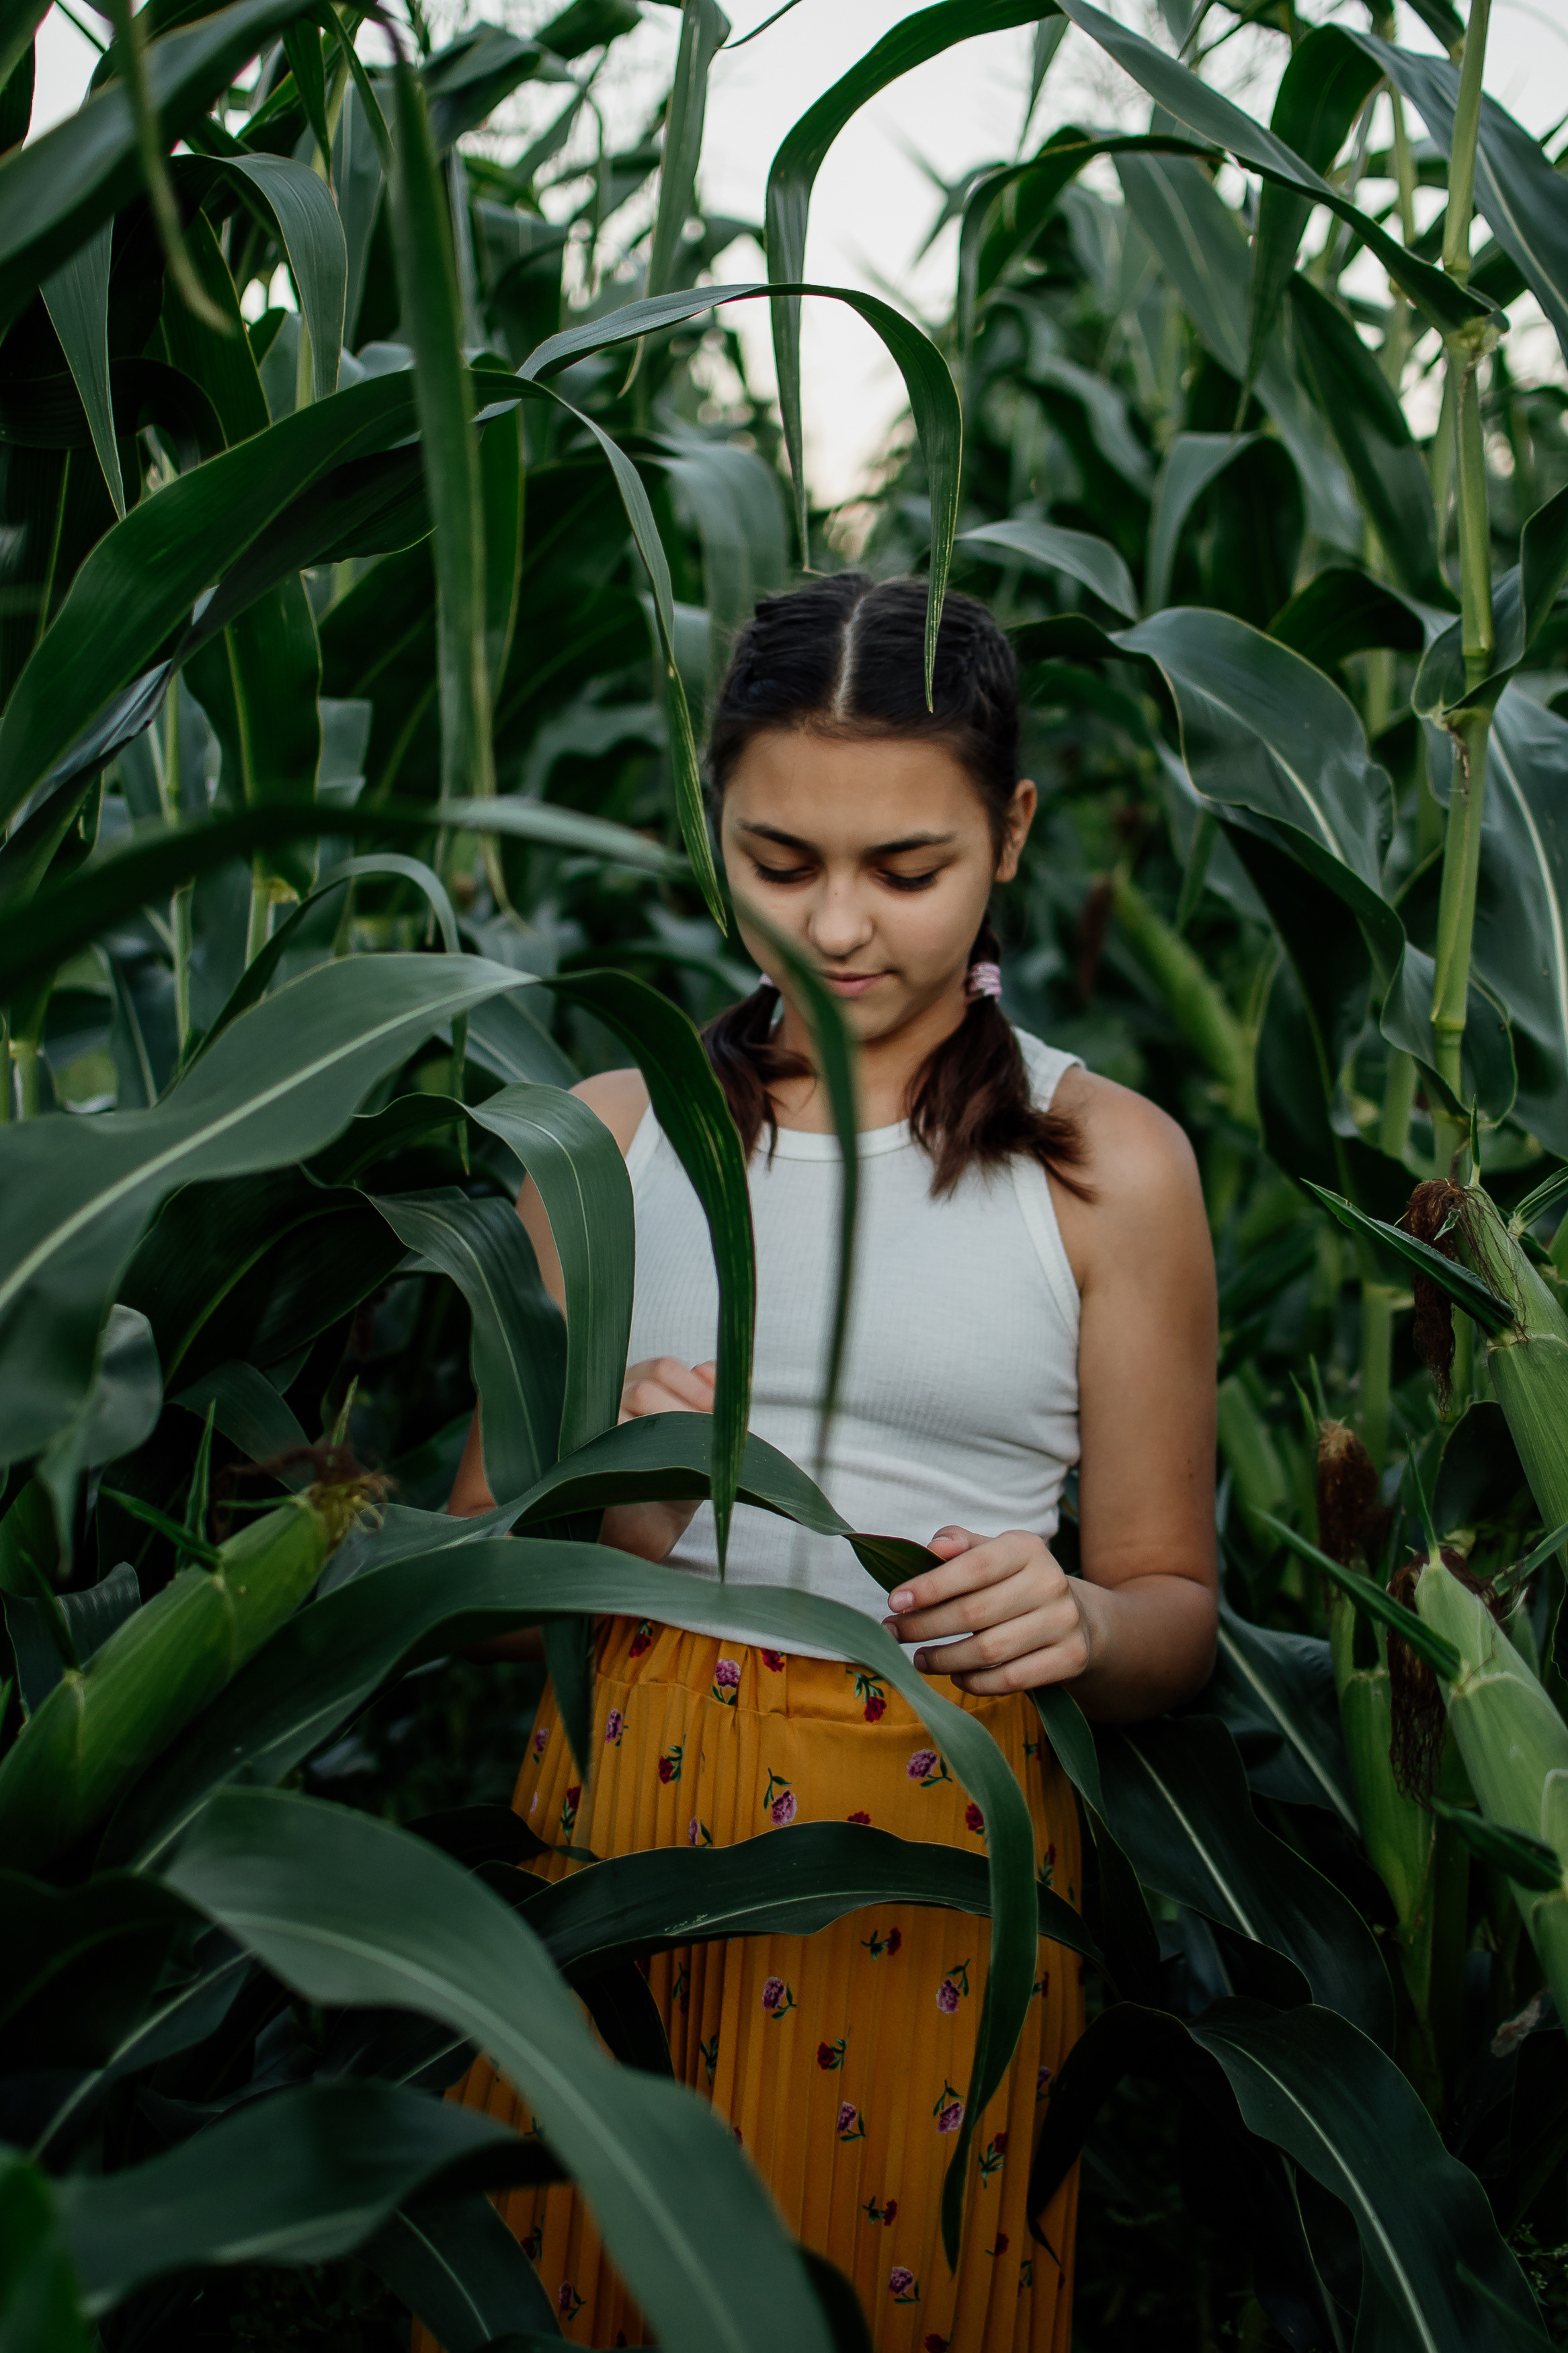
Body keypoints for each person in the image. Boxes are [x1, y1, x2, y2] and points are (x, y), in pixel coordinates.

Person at [435, 573, 1219, 2352]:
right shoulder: (609, 1145)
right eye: (778, 862)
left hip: (928, 1858)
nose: (841, 927)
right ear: (708, 816)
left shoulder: (1111, 1170)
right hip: (617, 1830)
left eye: (909, 868)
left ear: (1010, 832)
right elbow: (462, 1580)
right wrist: (610, 1500)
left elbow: (1179, 1609)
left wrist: (1084, 1615)